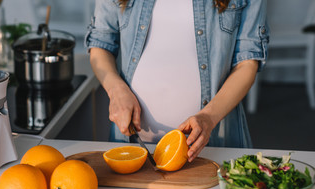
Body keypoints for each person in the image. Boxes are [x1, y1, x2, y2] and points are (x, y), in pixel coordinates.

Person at [85, 0, 269, 162]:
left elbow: (247, 64)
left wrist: (208, 117)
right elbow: (101, 44)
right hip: (131, 144)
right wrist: (116, 91)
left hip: (214, 143)